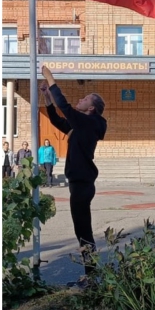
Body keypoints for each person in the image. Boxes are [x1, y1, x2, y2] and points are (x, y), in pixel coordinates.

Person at [41, 65, 107, 288]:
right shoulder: (83, 125)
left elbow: (65, 106)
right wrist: (48, 98)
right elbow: (58, 121)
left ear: (92, 109)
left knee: (83, 233)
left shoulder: (89, 122)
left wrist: (50, 78)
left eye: (86, 98)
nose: (82, 98)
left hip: (82, 185)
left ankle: (92, 277)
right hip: (80, 184)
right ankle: (91, 275)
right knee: (83, 232)